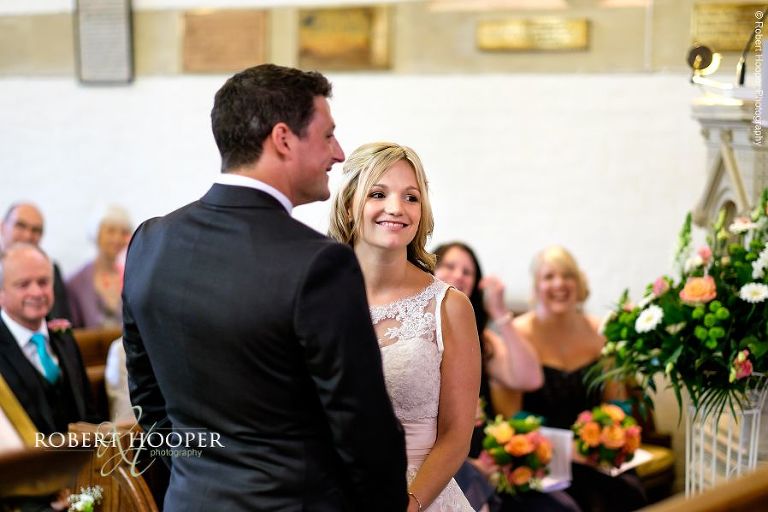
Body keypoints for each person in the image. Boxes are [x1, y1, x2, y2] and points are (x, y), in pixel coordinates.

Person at [122, 64, 408, 512]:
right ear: (283, 139)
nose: (338, 153)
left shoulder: (150, 242)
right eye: (327, 135)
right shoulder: (318, 264)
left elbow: (147, 394)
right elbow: (362, 425)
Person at [328, 142, 481, 512]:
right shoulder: (317, 299)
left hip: (417, 498)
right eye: (378, 194)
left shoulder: (450, 306)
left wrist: (407, 505)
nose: (396, 208)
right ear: (351, 206)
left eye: (411, 197)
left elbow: (456, 436)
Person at [434, 242, 579, 512]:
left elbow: (530, 379)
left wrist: (500, 314)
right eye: (450, 266)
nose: (458, 275)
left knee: (562, 507)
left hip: (491, 461)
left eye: (468, 272)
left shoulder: (482, 339)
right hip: (445, 466)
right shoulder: (414, 334)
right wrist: (471, 468)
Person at [513, 245, 647, 512]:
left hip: (595, 453)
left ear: (579, 282)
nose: (559, 284)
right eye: (549, 277)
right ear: (536, 287)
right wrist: (566, 449)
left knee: (630, 494)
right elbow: (511, 417)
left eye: (567, 275)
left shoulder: (601, 331)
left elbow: (617, 402)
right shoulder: (518, 335)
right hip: (542, 459)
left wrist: (608, 438)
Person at [0, 243, 96, 435]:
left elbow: (88, 411)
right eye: (23, 284)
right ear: (1, 293)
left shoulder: (64, 338)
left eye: (43, 282)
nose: (36, 293)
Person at [1, 203, 71, 320]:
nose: (28, 235)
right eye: (21, 226)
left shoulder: (52, 269)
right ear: (2, 226)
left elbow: (59, 321)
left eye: (36, 230)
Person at [67, 205, 133, 328]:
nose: (117, 238)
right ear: (96, 233)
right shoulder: (76, 282)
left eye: (124, 232)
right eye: (111, 231)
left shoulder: (131, 276)